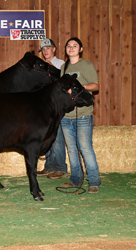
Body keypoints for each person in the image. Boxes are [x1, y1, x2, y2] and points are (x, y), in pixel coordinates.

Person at [59, 37, 101, 194]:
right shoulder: (64, 67)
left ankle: (94, 181)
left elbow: (96, 86)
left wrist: (79, 87)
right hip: (66, 116)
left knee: (85, 147)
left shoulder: (86, 65)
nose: (71, 48)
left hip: (83, 115)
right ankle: (75, 179)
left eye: (74, 46)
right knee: (71, 148)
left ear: (80, 49)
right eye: (68, 46)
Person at [36, 38, 68, 180]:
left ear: (54, 49)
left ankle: (60, 168)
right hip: (45, 107)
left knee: (58, 137)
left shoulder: (61, 64)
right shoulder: (41, 66)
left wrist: (50, 69)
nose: (45, 51)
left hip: (56, 107)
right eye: (43, 49)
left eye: (48, 48)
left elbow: (63, 84)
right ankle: (49, 166)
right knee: (49, 137)